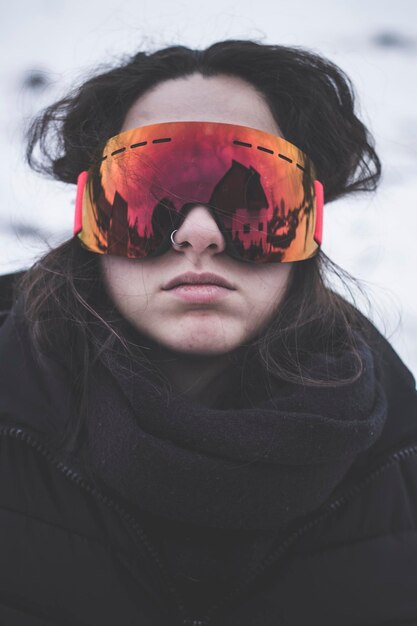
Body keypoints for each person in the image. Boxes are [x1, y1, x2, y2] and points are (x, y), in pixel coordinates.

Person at [0, 39, 416, 626]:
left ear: (308, 225)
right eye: (149, 195)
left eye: (254, 196)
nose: (199, 235)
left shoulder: (401, 465)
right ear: (90, 218)